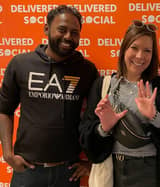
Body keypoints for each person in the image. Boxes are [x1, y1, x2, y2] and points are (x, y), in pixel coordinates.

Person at [79, 20, 160, 187]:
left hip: (156, 174)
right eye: (134, 48)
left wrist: (155, 117)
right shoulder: (103, 85)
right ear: (124, 48)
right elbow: (85, 136)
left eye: (147, 50)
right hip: (115, 174)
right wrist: (104, 128)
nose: (140, 56)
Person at [0, 5, 98, 187]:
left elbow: (94, 119)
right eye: (62, 30)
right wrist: (7, 153)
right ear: (46, 29)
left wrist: (89, 160)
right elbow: (4, 110)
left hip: (68, 173)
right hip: (28, 172)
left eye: (74, 32)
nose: (68, 36)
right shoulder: (21, 64)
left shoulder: (87, 70)